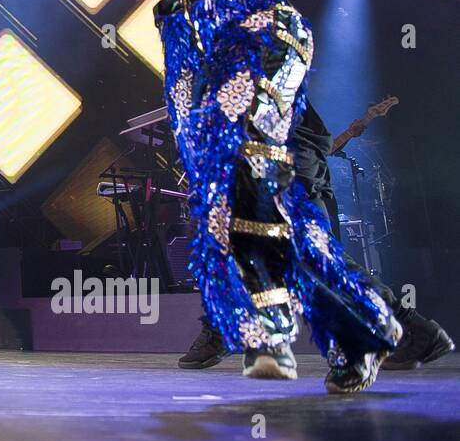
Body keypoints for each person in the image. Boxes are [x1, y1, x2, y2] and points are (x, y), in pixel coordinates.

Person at [112, 0, 400, 393]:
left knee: (245, 170)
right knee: (227, 194)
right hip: (184, 40)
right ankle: (359, 326)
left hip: (254, 20)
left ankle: (268, 330)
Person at [179, 103, 453, 369]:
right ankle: (224, 326)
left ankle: (410, 330)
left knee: (313, 261)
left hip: (279, 164)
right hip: (276, 161)